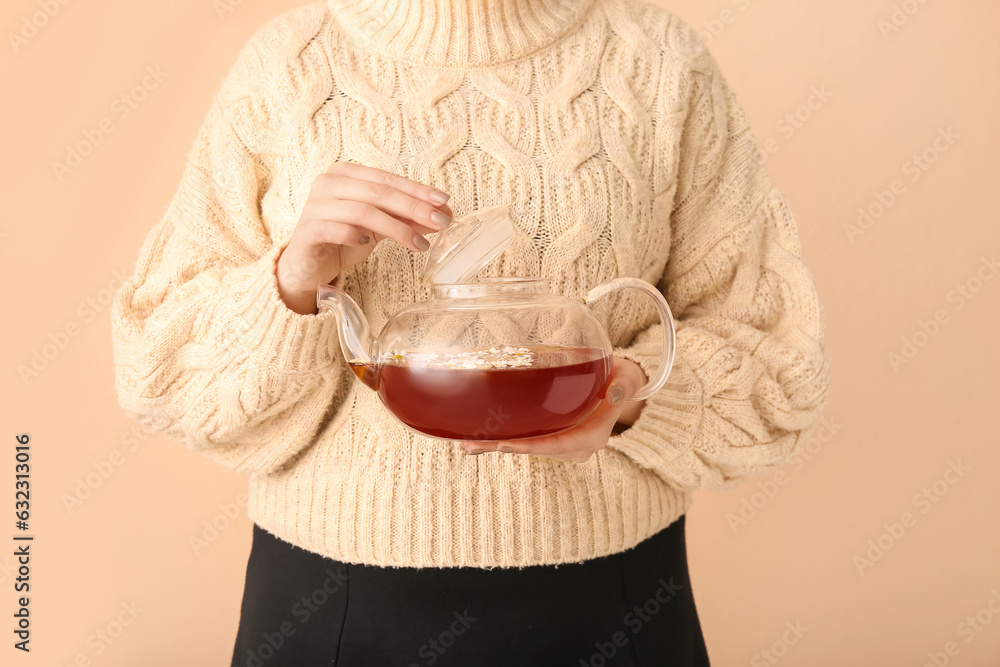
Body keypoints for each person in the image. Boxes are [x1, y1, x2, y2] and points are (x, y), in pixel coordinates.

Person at [110, 0, 831, 663]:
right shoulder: (288, 63)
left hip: (614, 601)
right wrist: (290, 282)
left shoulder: (663, 61)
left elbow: (777, 360)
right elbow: (160, 369)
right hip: (330, 606)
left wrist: (632, 397)